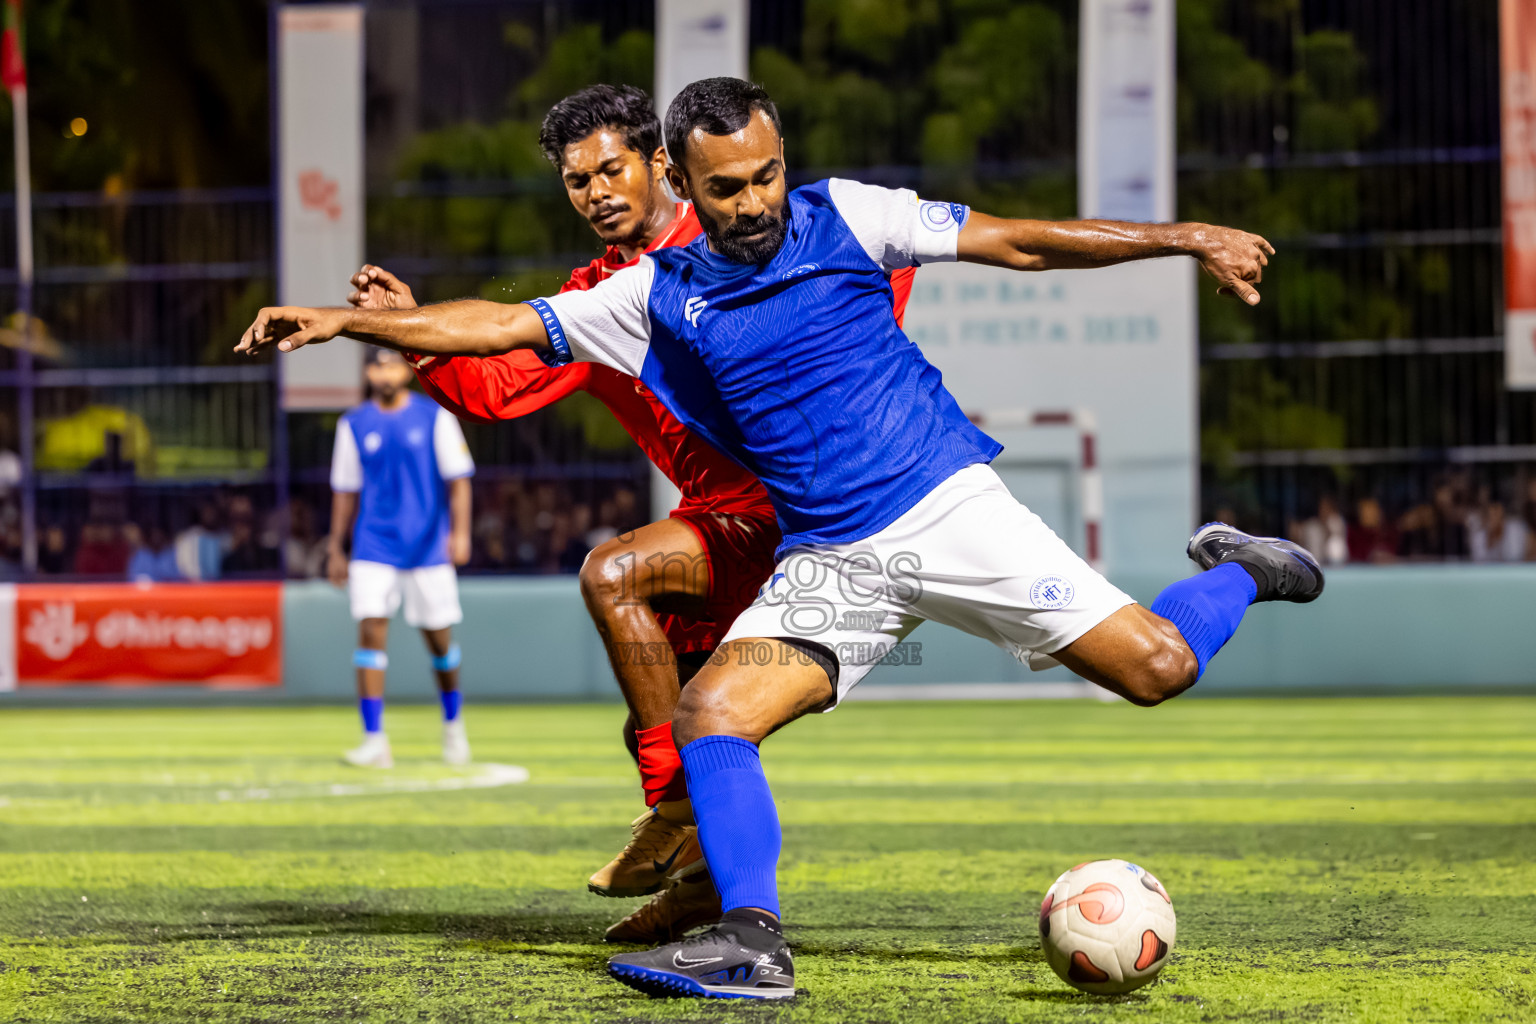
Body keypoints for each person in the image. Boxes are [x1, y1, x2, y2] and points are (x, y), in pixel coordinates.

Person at [237, 77, 1324, 1001]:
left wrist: (1183, 238)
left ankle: (1240, 570)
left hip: (947, 509)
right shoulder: (651, 291)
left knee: (1156, 668)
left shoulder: (850, 214)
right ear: (685, 177)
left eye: (765, 175)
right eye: (727, 186)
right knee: (715, 708)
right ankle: (751, 940)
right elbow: (501, 325)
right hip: (827, 557)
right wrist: (348, 323)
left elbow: (1022, 243)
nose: (753, 201)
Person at [342, 84, 894, 942]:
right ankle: (710, 893)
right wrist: (407, 327)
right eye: (577, 181)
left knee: (615, 574)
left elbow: (873, 269)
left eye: (612, 169)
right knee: (692, 714)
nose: (597, 191)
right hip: (718, 516)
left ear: (660, 165)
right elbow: (498, 391)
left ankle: (670, 812)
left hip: (786, 510)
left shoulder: (730, 238)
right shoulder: (596, 293)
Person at [328, 349, 476, 769]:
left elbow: (459, 481)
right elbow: (345, 491)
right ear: (367, 373)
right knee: (370, 630)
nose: (385, 372)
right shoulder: (353, 424)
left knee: (439, 639)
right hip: (374, 545)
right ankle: (374, 740)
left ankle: (453, 726)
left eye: (393, 364)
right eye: (376, 365)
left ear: (407, 372)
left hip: (428, 546)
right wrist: (336, 546)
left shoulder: (435, 417)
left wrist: (460, 533)